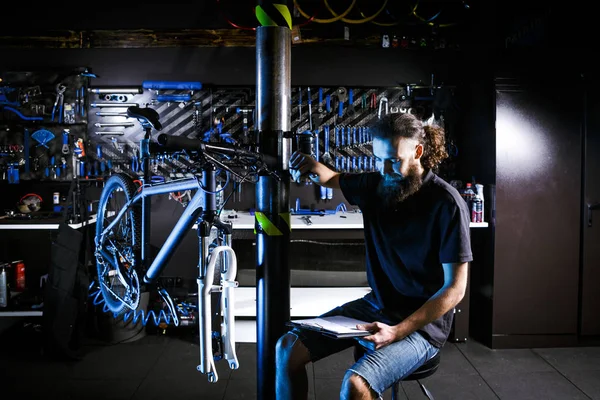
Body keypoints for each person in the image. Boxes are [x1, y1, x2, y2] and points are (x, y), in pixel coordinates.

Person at [276, 113, 473, 400]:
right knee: (287, 349)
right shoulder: (377, 184)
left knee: (355, 385)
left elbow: (455, 289)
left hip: (423, 325)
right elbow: (331, 178)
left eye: (393, 160)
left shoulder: (447, 203)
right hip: (377, 305)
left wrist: (398, 331)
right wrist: (309, 165)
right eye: (378, 159)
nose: (384, 169)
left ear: (417, 152)